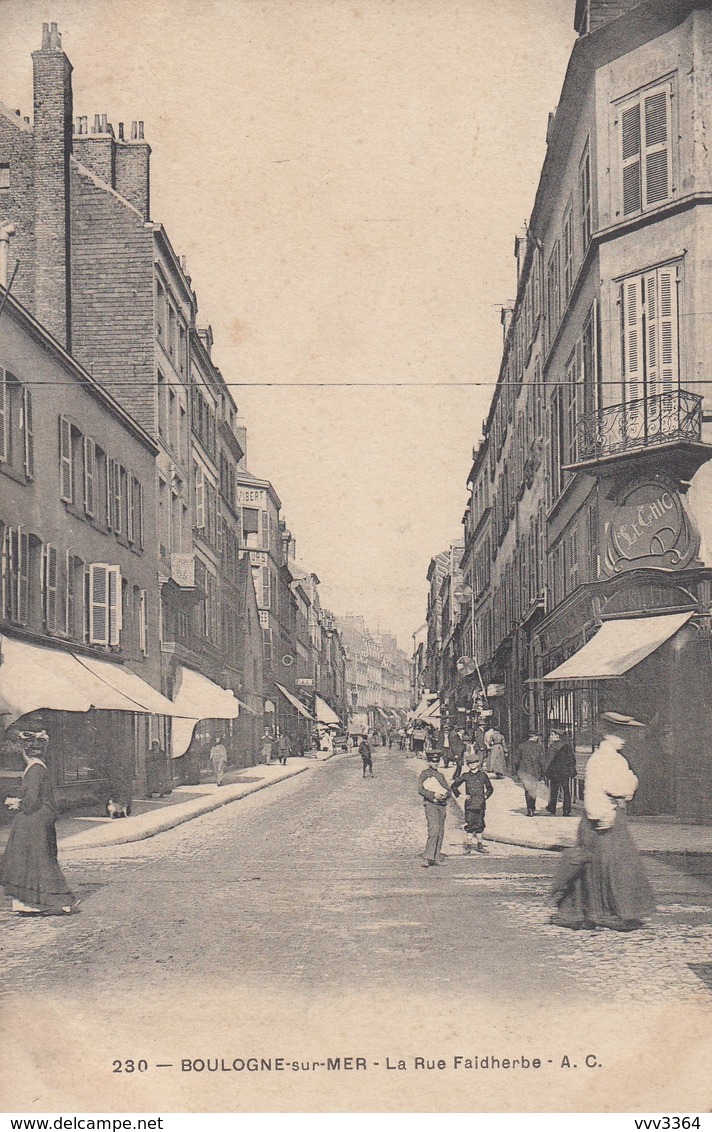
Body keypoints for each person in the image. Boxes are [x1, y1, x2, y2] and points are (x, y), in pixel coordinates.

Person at [551, 712, 655, 932]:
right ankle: (601, 912)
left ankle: (615, 911)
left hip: (613, 816)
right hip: (601, 819)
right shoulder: (602, 758)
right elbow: (595, 790)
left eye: (624, 734)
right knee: (604, 866)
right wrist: (601, 814)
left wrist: (625, 790)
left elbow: (628, 786)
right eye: (618, 734)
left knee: (614, 865)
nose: (623, 739)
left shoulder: (617, 758)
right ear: (608, 735)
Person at [1, 731, 78, 915]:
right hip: (38, 818)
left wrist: (16, 803)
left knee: (35, 859)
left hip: (35, 818)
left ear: (24, 751)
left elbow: (32, 800)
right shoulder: (39, 767)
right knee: (36, 858)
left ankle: (56, 900)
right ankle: (33, 903)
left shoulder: (35, 768)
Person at [451, 751, 494, 854]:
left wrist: (485, 796)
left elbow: (490, 788)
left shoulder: (483, 775)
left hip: (480, 805)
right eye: (470, 763)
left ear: (478, 763)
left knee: (479, 825)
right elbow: (454, 786)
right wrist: (461, 795)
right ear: (468, 765)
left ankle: (480, 846)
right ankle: (468, 846)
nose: (472, 765)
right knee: (470, 825)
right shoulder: (466, 776)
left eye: (474, 763)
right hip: (470, 805)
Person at [417, 749, 452, 867]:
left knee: (440, 831)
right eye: (433, 761)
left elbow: (449, 790)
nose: (435, 763)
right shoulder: (425, 774)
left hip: (441, 806)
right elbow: (420, 789)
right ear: (429, 762)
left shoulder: (441, 775)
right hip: (431, 804)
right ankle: (427, 857)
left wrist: (445, 794)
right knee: (434, 829)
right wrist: (433, 795)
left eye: (437, 761)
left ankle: (436, 857)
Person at [513, 732, 546, 816]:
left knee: (527, 790)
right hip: (535, 772)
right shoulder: (539, 747)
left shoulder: (521, 746)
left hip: (525, 772)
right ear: (534, 737)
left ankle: (529, 809)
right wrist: (543, 773)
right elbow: (542, 761)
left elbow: (516, 760)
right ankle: (532, 807)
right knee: (533, 790)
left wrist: (517, 770)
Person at [545, 729, 577, 816]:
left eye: (552, 735)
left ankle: (552, 808)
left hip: (555, 772)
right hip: (565, 772)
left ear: (557, 736)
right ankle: (566, 810)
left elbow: (549, 759)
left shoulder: (553, 746)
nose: (550, 737)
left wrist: (545, 770)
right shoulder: (567, 746)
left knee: (554, 790)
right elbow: (572, 760)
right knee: (566, 791)